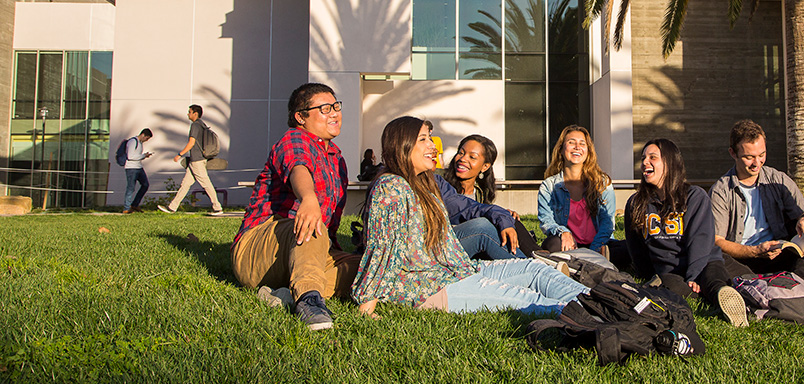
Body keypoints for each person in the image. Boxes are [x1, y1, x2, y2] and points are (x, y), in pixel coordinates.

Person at [351, 116, 588, 317]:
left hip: (455, 269)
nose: (433, 146)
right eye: (423, 139)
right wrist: (367, 303)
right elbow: (382, 247)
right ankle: (594, 314)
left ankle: (601, 300)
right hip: (426, 287)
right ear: (402, 145)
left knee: (537, 270)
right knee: (532, 299)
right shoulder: (390, 187)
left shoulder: (425, 182)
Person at [230, 83, 359, 331]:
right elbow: (298, 166)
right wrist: (308, 199)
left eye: (335, 106)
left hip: (309, 252)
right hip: (257, 248)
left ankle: (284, 294)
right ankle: (308, 300)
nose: (334, 113)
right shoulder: (293, 139)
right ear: (301, 117)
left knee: (368, 269)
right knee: (311, 225)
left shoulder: (337, 159)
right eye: (324, 108)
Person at [625, 139, 749, 327]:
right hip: (669, 270)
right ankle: (704, 296)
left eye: (652, 158)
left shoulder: (694, 196)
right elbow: (636, 246)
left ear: (670, 163)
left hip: (703, 260)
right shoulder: (636, 203)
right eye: (643, 158)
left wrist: (694, 275)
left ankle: (725, 298)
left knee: (713, 279)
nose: (644, 163)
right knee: (671, 285)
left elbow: (701, 239)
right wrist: (645, 273)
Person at [709, 119, 804, 286]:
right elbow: (717, 240)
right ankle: (775, 283)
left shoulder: (778, 179)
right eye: (749, 157)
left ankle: (795, 285)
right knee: (715, 258)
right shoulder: (721, 190)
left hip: (777, 253)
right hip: (742, 258)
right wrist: (753, 252)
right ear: (733, 153)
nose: (756, 163)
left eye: (761, 155)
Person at [442, 134, 544, 257]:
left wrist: (502, 214)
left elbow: (481, 210)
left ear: (485, 166)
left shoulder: (480, 191)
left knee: (510, 219)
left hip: (479, 243)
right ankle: (535, 264)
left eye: (472, 157)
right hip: (456, 242)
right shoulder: (442, 185)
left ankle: (539, 255)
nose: (463, 159)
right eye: (461, 153)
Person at [537, 125, 617, 256]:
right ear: (561, 150)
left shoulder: (602, 183)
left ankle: (582, 260)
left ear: (588, 151)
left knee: (624, 248)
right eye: (571, 142)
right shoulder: (549, 186)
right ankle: (588, 260)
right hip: (568, 245)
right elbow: (546, 220)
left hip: (598, 244)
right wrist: (564, 232)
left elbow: (607, 223)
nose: (577, 147)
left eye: (582, 143)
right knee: (552, 244)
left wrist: (594, 250)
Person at [159, 104, 223, 214]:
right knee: (185, 184)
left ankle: (217, 207)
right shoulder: (202, 125)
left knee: (206, 184)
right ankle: (172, 207)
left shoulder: (195, 125)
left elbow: (191, 143)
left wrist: (179, 154)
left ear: (195, 113)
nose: (188, 114)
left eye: (189, 112)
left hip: (197, 160)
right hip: (196, 160)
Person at [122, 128, 153, 213]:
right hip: (131, 168)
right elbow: (130, 156)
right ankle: (127, 208)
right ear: (143, 135)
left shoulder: (140, 143)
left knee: (145, 185)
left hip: (138, 167)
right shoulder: (133, 142)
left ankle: (135, 204)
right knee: (131, 188)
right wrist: (143, 156)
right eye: (147, 138)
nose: (146, 140)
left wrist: (144, 156)